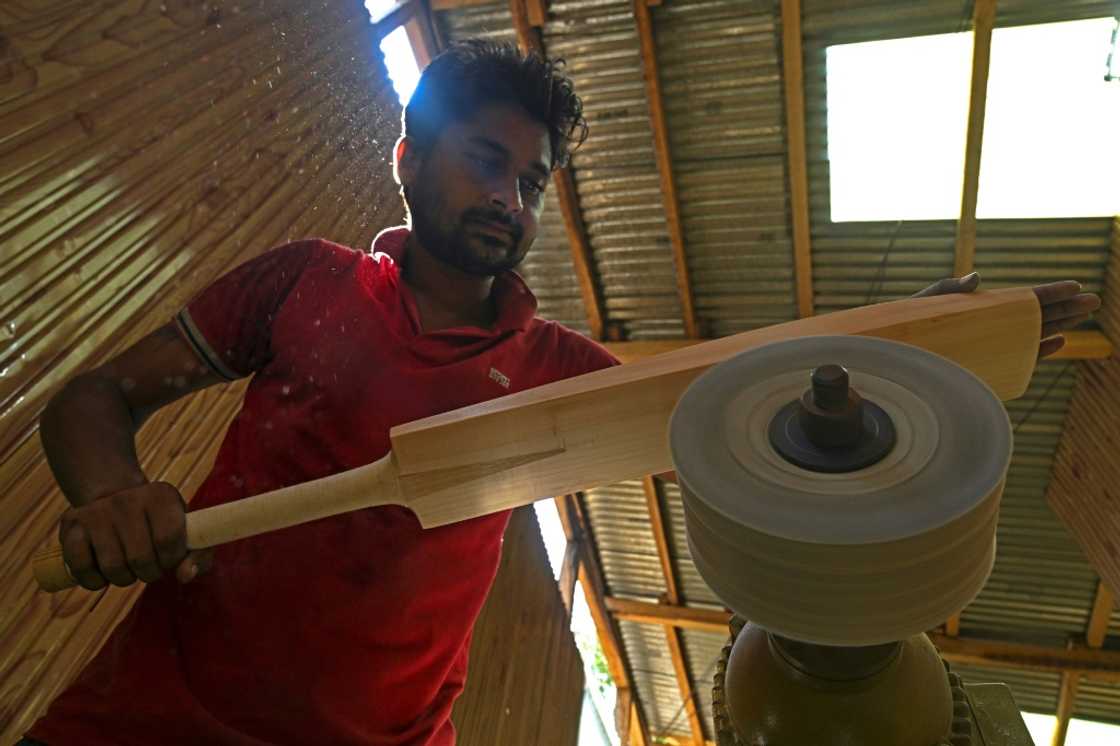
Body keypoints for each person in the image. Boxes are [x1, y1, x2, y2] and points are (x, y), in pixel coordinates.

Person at [21, 40, 1098, 746]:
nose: (508, 197)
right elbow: (93, 399)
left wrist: (922, 337)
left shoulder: (552, 372)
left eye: (531, 182)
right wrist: (115, 491)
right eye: (485, 161)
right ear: (406, 158)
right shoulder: (304, 279)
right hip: (151, 715)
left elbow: (744, 406)